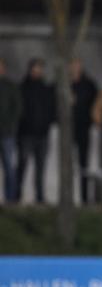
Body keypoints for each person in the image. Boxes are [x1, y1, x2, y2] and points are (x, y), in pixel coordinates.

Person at [16, 58, 55, 204]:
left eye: (39, 69)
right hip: (26, 134)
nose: (37, 72)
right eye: (34, 69)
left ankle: (40, 197)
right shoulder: (22, 88)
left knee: (41, 168)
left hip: (43, 134)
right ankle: (16, 194)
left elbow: (51, 109)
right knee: (23, 164)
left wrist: (47, 123)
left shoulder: (46, 89)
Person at [69, 59, 98, 204]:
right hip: (67, 129)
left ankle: (85, 198)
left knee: (83, 164)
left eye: (77, 65)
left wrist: (91, 121)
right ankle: (67, 197)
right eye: (72, 65)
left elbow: (96, 105)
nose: (74, 68)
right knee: (66, 165)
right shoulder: (63, 84)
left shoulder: (89, 85)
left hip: (83, 128)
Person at [0, 58, 22, 202]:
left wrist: (10, 126)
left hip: (7, 134)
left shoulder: (10, 86)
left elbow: (18, 108)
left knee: (9, 167)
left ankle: (11, 199)